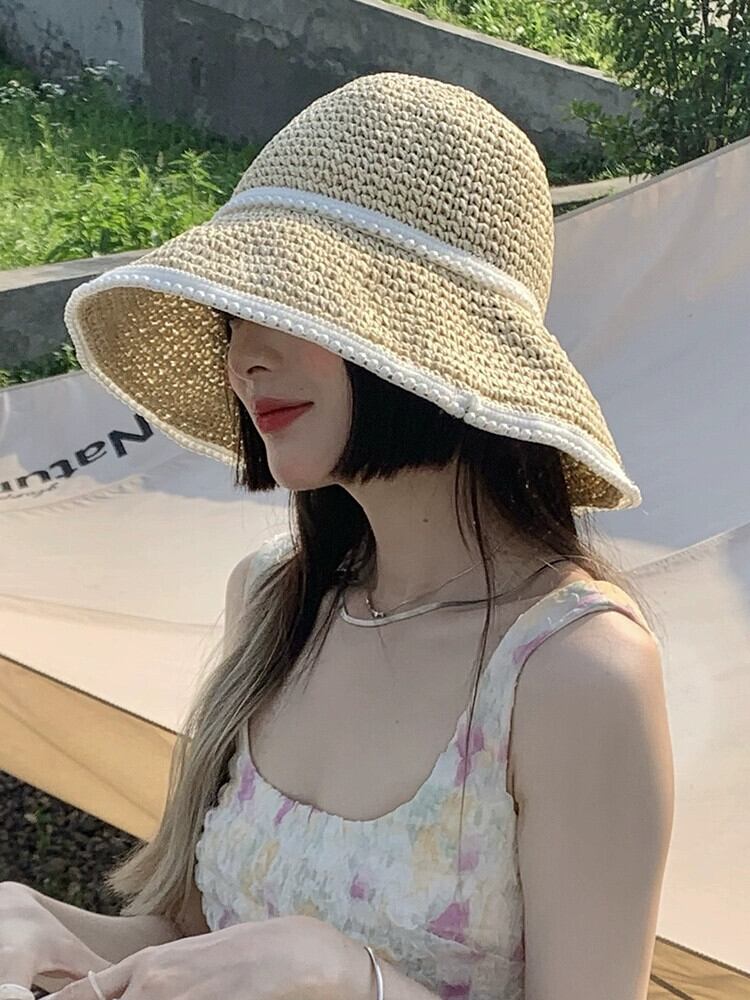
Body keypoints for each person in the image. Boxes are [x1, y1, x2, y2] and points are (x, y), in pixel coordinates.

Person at [2, 72, 674, 1000]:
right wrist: (40, 926)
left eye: (292, 309)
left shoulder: (572, 672)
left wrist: (347, 978)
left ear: (423, 335)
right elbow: (198, 949)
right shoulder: (275, 598)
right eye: (236, 315)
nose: (244, 358)